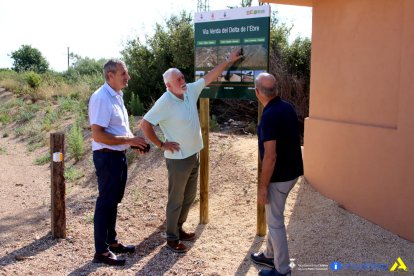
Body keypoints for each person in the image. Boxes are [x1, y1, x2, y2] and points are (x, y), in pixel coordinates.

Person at [140, 48, 242, 253]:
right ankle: (171, 238)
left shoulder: (189, 91)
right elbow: (144, 124)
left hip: (194, 154)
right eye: (178, 79)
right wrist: (161, 145)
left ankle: (178, 228)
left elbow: (210, 76)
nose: (182, 80)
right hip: (178, 160)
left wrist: (229, 60)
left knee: (189, 197)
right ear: (169, 85)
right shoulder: (165, 101)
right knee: (176, 199)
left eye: (182, 76)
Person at [88, 59, 148, 266]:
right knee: (105, 202)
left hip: (117, 156)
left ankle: (111, 242)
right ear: (110, 76)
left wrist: (134, 143)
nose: (127, 77)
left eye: (127, 72)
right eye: (123, 73)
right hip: (107, 157)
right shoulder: (101, 98)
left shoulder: (117, 96)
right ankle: (101, 252)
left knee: (113, 201)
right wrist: (130, 140)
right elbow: (98, 135)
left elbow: (118, 131)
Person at [250, 73, 304, 276]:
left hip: (279, 178)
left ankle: (282, 270)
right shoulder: (287, 107)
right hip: (293, 173)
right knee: (275, 215)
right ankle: (270, 255)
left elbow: (270, 157)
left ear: (257, 92)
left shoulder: (268, 116)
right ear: (276, 90)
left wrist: (263, 188)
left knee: (275, 222)